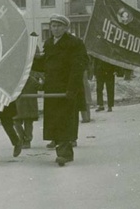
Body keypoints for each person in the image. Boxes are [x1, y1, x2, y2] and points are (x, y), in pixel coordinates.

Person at [32, 14, 88, 166]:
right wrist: (30, 61)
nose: (55, 29)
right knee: (54, 121)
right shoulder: (50, 43)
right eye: (53, 26)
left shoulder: (74, 43)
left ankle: (64, 154)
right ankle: (64, 152)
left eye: (58, 26)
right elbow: (45, 64)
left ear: (65, 28)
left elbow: (78, 67)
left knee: (65, 120)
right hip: (52, 89)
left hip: (67, 89)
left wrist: (72, 89)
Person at [14, 70, 41, 149]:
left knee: (20, 123)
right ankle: (25, 139)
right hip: (27, 105)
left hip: (21, 105)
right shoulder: (31, 80)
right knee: (25, 123)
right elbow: (41, 87)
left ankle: (24, 139)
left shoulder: (19, 80)